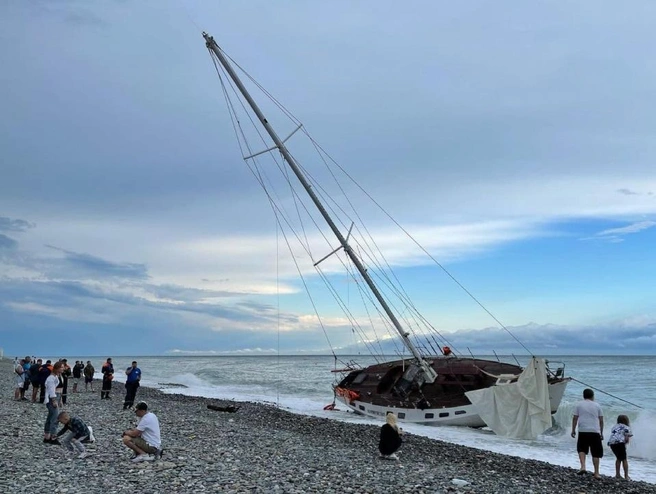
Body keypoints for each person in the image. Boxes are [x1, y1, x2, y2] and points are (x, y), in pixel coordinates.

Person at [571, 388, 604, 479]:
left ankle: (583, 467)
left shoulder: (579, 405)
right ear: (592, 396)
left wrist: (573, 430)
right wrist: (601, 432)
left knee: (581, 449)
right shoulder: (597, 405)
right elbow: (601, 420)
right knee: (596, 452)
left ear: (583, 396)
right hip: (594, 431)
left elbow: (575, 418)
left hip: (583, 430)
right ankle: (596, 473)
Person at [43, 362, 64, 444]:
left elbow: (60, 389)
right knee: (55, 418)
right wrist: (54, 400)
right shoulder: (51, 378)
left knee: (50, 417)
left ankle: (47, 437)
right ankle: (53, 437)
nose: (63, 368)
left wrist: (60, 400)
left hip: (57, 396)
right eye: (61, 367)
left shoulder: (58, 377)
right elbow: (51, 390)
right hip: (52, 397)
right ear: (57, 368)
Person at [608, 414, 633, 480]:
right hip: (620, 443)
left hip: (612, 443)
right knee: (624, 459)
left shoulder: (614, 426)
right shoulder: (626, 427)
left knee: (618, 458)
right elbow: (627, 438)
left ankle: (617, 474)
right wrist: (626, 443)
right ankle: (626, 476)